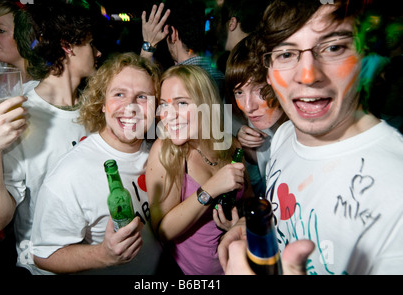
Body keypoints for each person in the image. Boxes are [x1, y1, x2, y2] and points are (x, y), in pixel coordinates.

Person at [219, 0, 403, 275]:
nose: (307, 75)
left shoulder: (396, 192)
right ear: (268, 71)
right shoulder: (284, 136)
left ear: (364, 56)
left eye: (333, 48)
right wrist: (253, 227)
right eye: (287, 53)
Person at [0, 0, 102, 274]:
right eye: (91, 44)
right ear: (68, 47)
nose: (98, 53)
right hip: (44, 267)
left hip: (97, 261)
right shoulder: (19, 112)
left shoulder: (92, 105)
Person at [31, 52, 162, 274]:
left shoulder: (156, 148)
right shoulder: (70, 175)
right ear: (102, 104)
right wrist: (102, 255)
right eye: (119, 94)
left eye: (142, 97)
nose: (130, 106)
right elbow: (43, 255)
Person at [146, 65, 253, 275]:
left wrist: (239, 221)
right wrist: (210, 189)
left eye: (182, 103)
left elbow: (249, 200)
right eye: (163, 106)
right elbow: (163, 232)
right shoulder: (167, 152)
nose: (168, 115)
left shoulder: (231, 146)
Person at [225, 33, 287, 195]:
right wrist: (245, 146)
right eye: (239, 92)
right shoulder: (260, 120)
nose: (247, 106)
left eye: (259, 90)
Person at [141, 0, 225, 98]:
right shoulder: (220, 77)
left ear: (174, 34)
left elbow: (140, 96)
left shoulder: (171, 83)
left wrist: (148, 45)